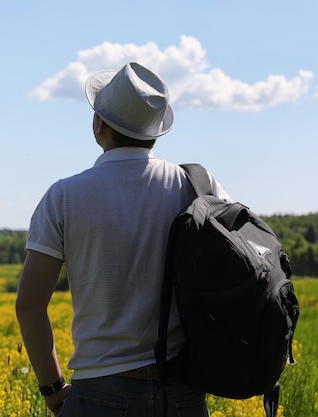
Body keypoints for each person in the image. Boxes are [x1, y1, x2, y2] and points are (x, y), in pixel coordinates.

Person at [15, 62, 232, 417]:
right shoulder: (197, 186)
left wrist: (53, 388)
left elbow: (29, 306)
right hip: (181, 393)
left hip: (99, 392)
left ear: (100, 126)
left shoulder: (65, 196)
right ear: (155, 133)